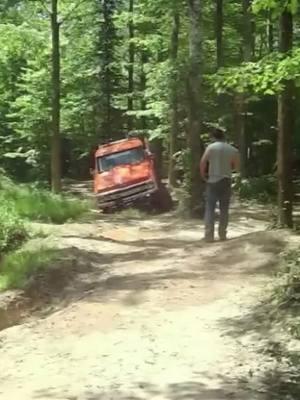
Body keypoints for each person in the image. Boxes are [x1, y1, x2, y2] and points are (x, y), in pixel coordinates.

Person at [200, 128, 239, 242]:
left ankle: (209, 236)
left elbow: (203, 162)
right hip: (226, 180)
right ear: (223, 137)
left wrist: (203, 176)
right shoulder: (233, 150)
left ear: (213, 137)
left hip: (213, 180)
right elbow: (237, 167)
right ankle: (222, 234)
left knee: (210, 209)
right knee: (224, 209)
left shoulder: (211, 147)